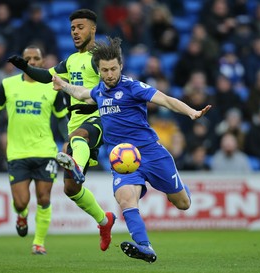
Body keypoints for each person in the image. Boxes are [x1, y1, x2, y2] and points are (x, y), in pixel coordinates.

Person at [52, 36, 211, 263]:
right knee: (125, 199)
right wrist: (63, 85)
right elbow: (81, 93)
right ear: (99, 69)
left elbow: (165, 100)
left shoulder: (133, 87)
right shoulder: (99, 91)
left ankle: (182, 188)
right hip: (122, 159)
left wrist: (191, 112)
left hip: (151, 153)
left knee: (183, 203)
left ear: (121, 66)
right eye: (105, 70)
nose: (109, 74)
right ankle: (145, 247)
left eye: (113, 69)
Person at [7, 9, 116, 252]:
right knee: (71, 189)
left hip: (99, 116)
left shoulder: (101, 58)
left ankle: (76, 165)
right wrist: (24, 66)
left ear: (93, 29)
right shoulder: (71, 60)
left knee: (79, 139)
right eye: (72, 28)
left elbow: (114, 80)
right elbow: (47, 76)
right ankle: (105, 220)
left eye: (80, 27)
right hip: (76, 120)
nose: (75, 32)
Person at [0, 45, 69, 255]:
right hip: (17, 153)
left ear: (42, 62)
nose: (31, 61)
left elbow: (61, 118)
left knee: (44, 198)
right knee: (21, 202)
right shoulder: (7, 84)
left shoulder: (52, 86)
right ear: (22, 61)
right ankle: (21, 215)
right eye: (27, 58)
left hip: (45, 151)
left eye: (36, 58)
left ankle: (38, 242)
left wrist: (68, 140)